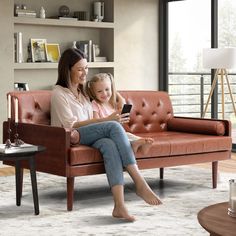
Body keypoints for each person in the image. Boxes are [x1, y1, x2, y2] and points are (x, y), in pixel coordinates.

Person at [50, 48, 162, 222]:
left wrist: (118, 100)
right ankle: (139, 182)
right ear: (67, 70)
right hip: (72, 136)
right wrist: (106, 120)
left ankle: (119, 206)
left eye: (86, 68)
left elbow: (108, 89)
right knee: (112, 125)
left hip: (88, 135)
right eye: (80, 69)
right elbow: (70, 125)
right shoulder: (59, 93)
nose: (84, 73)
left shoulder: (83, 92)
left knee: (110, 145)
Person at [85, 72, 154, 154]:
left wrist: (116, 93)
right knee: (122, 136)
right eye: (99, 91)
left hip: (116, 132)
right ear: (93, 93)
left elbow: (123, 104)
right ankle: (134, 143)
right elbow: (95, 121)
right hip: (104, 133)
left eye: (107, 89)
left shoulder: (112, 103)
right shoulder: (95, 104)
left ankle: (139, 142)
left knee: (127, 134)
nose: (104, 94)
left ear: (112, 89)